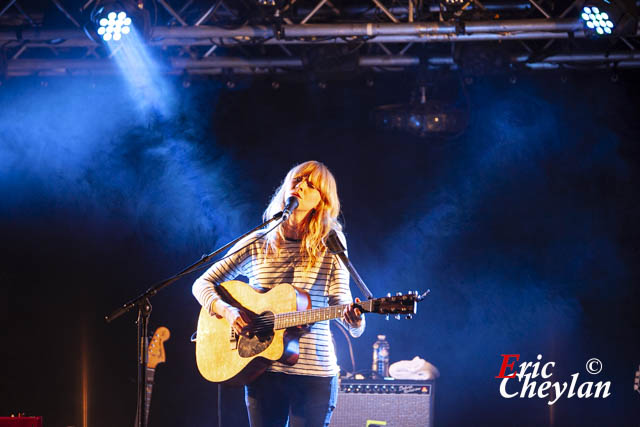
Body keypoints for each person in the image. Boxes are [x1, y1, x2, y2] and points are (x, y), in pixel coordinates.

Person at [192, 160, 365, 427]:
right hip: (263, 370)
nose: (301, 186)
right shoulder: (258, 242)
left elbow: (340, 301)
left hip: (314, 373)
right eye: (297, 180)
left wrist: (355, 320)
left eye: (311, 184)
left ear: (322, 200)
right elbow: (202, 283)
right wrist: (227, 310)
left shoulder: (331, 242)